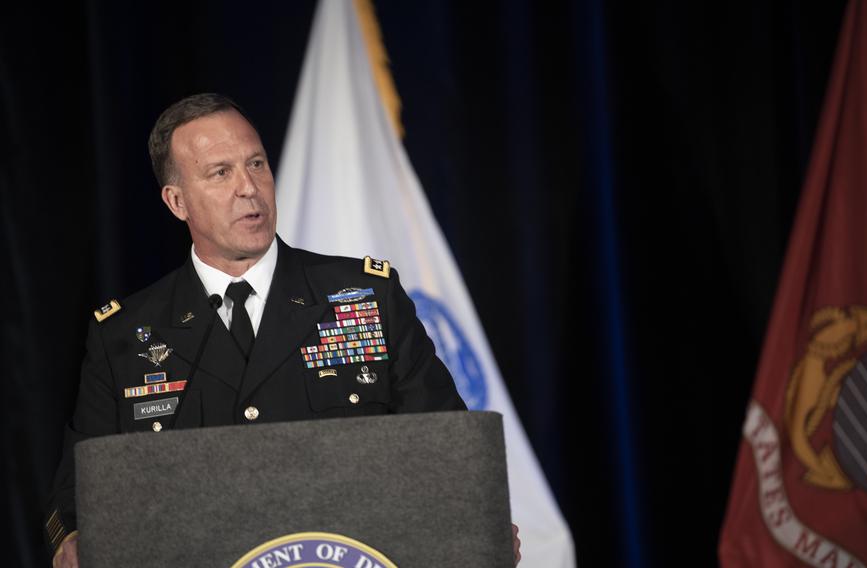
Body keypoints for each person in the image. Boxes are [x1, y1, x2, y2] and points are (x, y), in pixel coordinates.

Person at [46, 93, 522, 567]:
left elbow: (446, 450)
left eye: (256, 164)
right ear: (176, 202)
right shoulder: (125, 335)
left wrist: (480, 521)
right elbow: (80, 490)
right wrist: (72, 538)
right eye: (220, 172)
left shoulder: (366, 297)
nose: (248, 187)